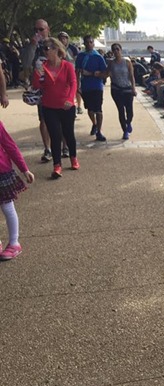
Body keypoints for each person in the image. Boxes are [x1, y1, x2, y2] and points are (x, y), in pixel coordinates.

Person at [32, 37, 78, 178]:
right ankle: (57, 165)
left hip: (66, 106)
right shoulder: (42, 66)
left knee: (68, 133)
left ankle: (73, 157)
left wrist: (70, 99)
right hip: (49, 106)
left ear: (56, 49)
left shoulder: (67, 65)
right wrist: (37, 74)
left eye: (47, 48)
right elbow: (36, 86)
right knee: (55, 135)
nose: (45, 51)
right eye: (43, 49)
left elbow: (73, 83)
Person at [0, 120, 35, 260]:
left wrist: (24, 169)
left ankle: (14, 243)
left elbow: (10, 146)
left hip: (1, 172)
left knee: (7, 207)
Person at [76, 35, 107, 141]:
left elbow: (104, 73)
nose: (89, 44)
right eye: (87, 42)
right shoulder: (81, 56)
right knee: (90, 109)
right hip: (85, 86)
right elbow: (77, 71)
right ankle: (94, 124)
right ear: (84, 44)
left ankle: (99, 131)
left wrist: (92, 73)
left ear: (93, 43)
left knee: (98, 109)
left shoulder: (98, 57)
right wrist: (77, 85)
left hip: (97, 86)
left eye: (91, 42)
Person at [104, 43, 136, 140]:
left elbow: (131, 76)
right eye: (114, 49)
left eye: (117, 49)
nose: (116, 51)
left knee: (130, 111)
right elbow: (106, 73)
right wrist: (96, 74)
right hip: (116, 89)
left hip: (127, 89)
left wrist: (133, 88)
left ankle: (128, 122)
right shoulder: (111, 63)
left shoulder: (127, 62)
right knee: (121, 110)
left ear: (121, 50)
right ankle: (125, 131)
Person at [31, 19, 52, 162]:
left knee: (60, 119)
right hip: (41, 89)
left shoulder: (55, 44)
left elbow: (68, 63)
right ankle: (47, 149)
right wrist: (32, 45)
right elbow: (26, 62)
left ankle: (64, 146)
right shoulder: (33, 46)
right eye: (36, 29)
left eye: (41, 29)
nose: (38, 32)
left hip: (57, 88)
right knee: (43, 119)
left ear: (48, 29)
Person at [57, 31, 82, 114]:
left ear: (67, 39)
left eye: (64, 38)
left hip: (73, 70)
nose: (62, 40)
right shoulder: (56, 48)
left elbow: (77, 59)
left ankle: (79, 106)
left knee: (76, 88)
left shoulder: (72, 48)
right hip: (61, 71)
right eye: (61, 38)